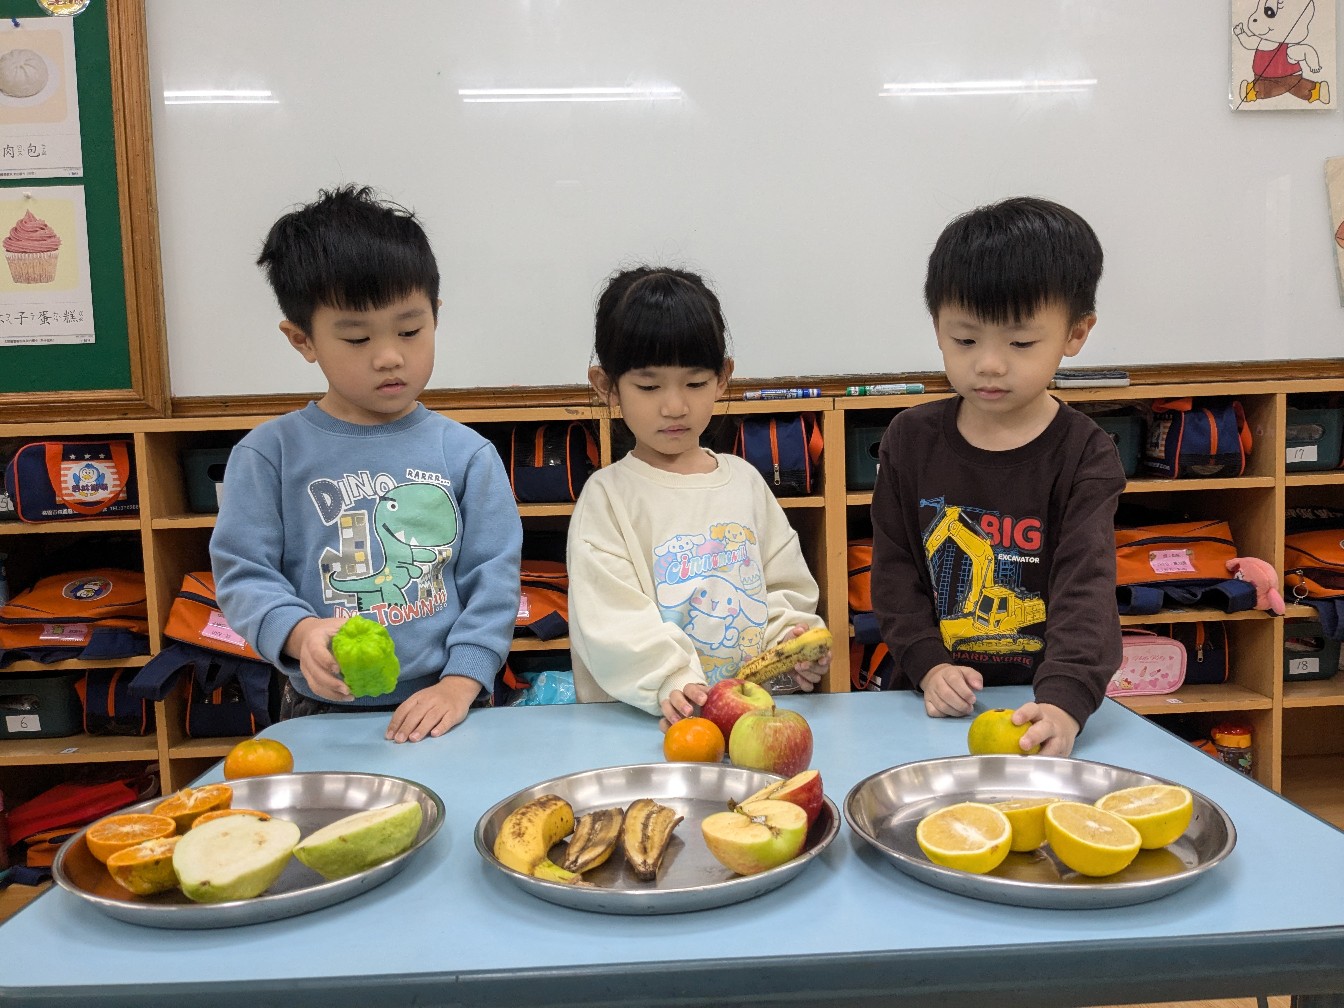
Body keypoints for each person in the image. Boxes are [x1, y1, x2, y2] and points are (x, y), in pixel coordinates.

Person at [210, 185, 522, 743]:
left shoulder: (467, 454)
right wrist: (300, 633)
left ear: (435, 316)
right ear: (302, 339)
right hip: (320, 706)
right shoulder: (268, 454)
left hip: (450, 698)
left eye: (410, 330)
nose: (389, 356)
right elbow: (245, 574)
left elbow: (493, 581)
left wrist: (462, 681)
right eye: (357, 337)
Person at [869, 196, 1125, 757]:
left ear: (1076, 333)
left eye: (1021, 343)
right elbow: (894, 574)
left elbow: (1086, 589)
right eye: (965, 340)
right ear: (937, 327)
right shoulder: (909, 440)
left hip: (1040, 703)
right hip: (928, 700)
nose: (988, 363)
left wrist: (1065, 701)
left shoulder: (1085, 454)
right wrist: (929, 665)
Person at [567, 265, 829, 728]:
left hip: (751, 723)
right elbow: (609, 620)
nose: (675, 406)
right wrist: (671, 680)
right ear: (607, 386)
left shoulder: (745, 483)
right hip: (644, 731)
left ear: (723, 378)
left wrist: (792, 643)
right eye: (649, 387)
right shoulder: (607, 498)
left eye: (695, 383)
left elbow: (784, 589)